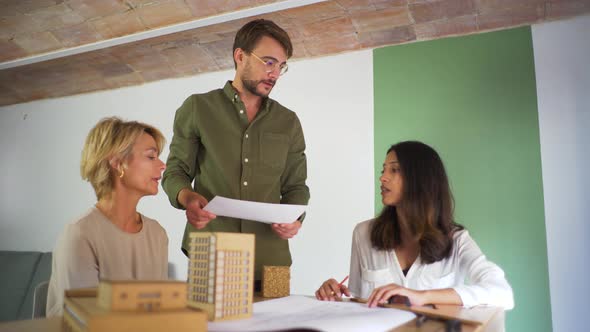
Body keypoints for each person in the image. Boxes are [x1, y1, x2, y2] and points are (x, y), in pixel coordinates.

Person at [162, 19, 310, 286]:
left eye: (281, 66)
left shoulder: (288, 121)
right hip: (212, 252)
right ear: (240, 56)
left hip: (273, 258)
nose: (275, 73)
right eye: (268, 62)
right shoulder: (197, 108)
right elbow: (175, 172)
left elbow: (296, 186)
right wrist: (187, 197)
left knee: (278, 326)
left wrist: (295, 219)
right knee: (215, 326)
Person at [315, 141, 514, 310]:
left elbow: (502, 293)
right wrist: (335, 296)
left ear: (421, 179)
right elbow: (357, 302)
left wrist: (423, 296)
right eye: (383, 170)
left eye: (395, 170)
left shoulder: (457, 239)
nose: (382, 177)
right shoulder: (363, 233)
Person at [46, 117, 169, 316]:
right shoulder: (79, 234)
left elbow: (158, 312)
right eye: (151, 157)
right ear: (118, 163)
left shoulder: (157, 234)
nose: (162, 165)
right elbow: (86, 321)